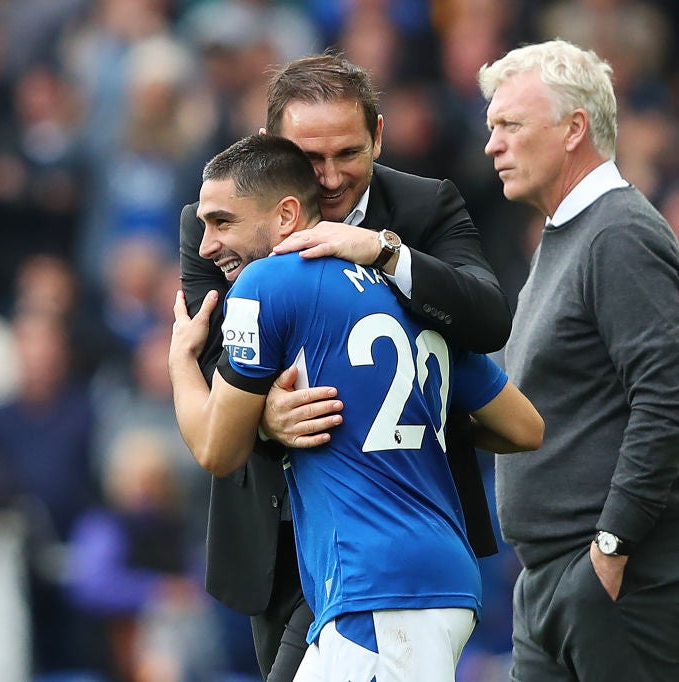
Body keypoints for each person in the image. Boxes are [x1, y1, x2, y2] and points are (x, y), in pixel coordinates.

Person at [178, 53, 512, 680]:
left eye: (349, 154)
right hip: (275, 534)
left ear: (379, 137)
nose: (330, 179)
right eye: (310, 158)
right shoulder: (216, 218)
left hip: (388, 537)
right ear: (269, 147)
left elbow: (491, 319)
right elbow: (218, 359)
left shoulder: (423, 209)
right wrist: (264, 416)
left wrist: (387, 254)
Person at [477, 40, 679, 681]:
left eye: (510, 125)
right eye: (490, 127)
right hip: (555, 577)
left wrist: (611, 547)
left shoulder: (618, 234)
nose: (492, 145)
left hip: (622, 575)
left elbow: (666, 403)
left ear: (573, 129)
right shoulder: (568, 235)